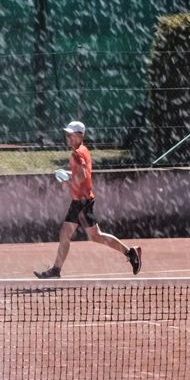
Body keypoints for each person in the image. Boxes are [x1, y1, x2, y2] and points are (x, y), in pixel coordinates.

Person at [35, 120, 142, 280]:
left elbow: (83, 175)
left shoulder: (77, 153)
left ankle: (56, 270)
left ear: (80, 135)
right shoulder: (83, 150)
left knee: (68, 234)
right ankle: (130, 252)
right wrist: (69, 174)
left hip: (81, 201)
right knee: (94, 235)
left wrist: (67, 181)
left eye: (72, 134)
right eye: (67, 134)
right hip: (82, 199)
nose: (68, 137)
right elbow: (84, 174)